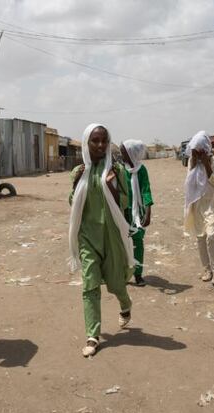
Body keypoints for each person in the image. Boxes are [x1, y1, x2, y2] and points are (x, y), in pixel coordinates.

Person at [69, 124, 135, 357]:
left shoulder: (116, 170)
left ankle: (125, 304)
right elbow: (73, 203)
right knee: (90, 285)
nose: (99, 145)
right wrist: (77, 183)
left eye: (103, 141)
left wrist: (112, 187)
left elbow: (126, 203)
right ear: (87, 143)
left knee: (116, 284)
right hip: (88, 238)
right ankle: (92, 335)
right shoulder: (79, 171)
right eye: (95, 141)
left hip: (112, 236)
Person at [183, 131, 214, 287]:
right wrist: (194, 162)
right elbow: (189, 184)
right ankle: (207, 270)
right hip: (198, 205)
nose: (199, 152)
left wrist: (206, 162)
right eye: (196, 149)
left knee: (212, 236)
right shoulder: (191, 162)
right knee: (200, 237)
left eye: (201, 149)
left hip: (212, 204)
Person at [120, 139, 154, 287]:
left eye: (123, 152)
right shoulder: (120, 169)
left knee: (137, 243)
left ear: (131, 153)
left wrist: (148, 212)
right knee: (121, 243)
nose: (121, 155)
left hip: (137, 214)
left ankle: (138, 274)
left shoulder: (141, 170)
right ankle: (122, 273)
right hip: (122, 211)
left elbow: (146, 190)